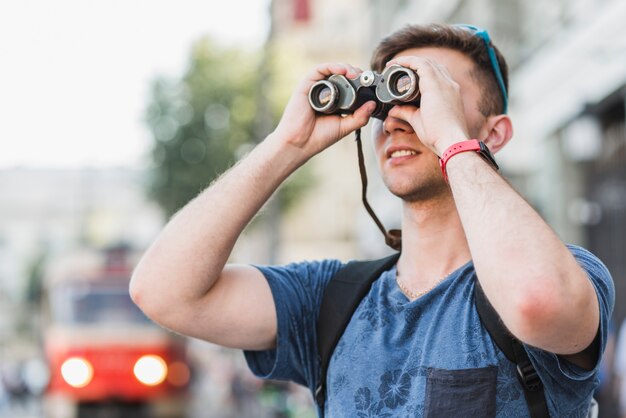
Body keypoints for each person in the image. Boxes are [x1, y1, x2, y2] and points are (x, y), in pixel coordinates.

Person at [130, 23, 615, 417]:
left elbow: (536, 301)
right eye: (390, 100)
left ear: (495, 133)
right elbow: (163, 291)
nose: (399, 119)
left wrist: (451, 140)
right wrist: (286, 145)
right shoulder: (331, 299)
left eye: (426, 95)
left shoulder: (572, 274)